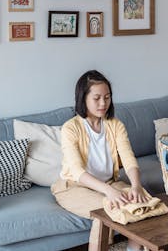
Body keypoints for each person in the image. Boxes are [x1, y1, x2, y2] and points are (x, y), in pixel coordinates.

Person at [51, 70, 149, 251]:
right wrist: (109, 192)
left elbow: (128, 158)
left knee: (141, 202)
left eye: (107, 97)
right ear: (83, 98)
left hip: (109, 182)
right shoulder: (70, 128)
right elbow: (78, 172)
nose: (103, 103)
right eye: (97, 98)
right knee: (108, 207)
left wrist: (136, 185)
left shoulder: (115, 124)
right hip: (73, 187)